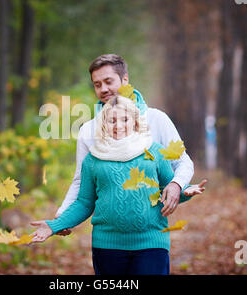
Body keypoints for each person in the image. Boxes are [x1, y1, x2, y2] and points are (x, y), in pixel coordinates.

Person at [30, 95, 206, 275]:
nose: (119, 125)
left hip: (152, 242)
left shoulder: (155, 152)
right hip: (107, 246)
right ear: (104, 124)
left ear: (135, 121)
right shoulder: (93, 160)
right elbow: (84, 203)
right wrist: (54, 225)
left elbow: (169, 190)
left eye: (125, 119)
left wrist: (185, 191)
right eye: (112, 120)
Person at [55, 54, 195, 237]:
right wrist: (63, 215)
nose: (103, 89)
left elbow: (183, 162)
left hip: (151, 234)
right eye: (97, 85)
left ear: (125, 80)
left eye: (108, 81)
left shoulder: (156, 119)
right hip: (107, 237)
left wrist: (176, 184)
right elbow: (80, 180)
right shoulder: (88, 131)